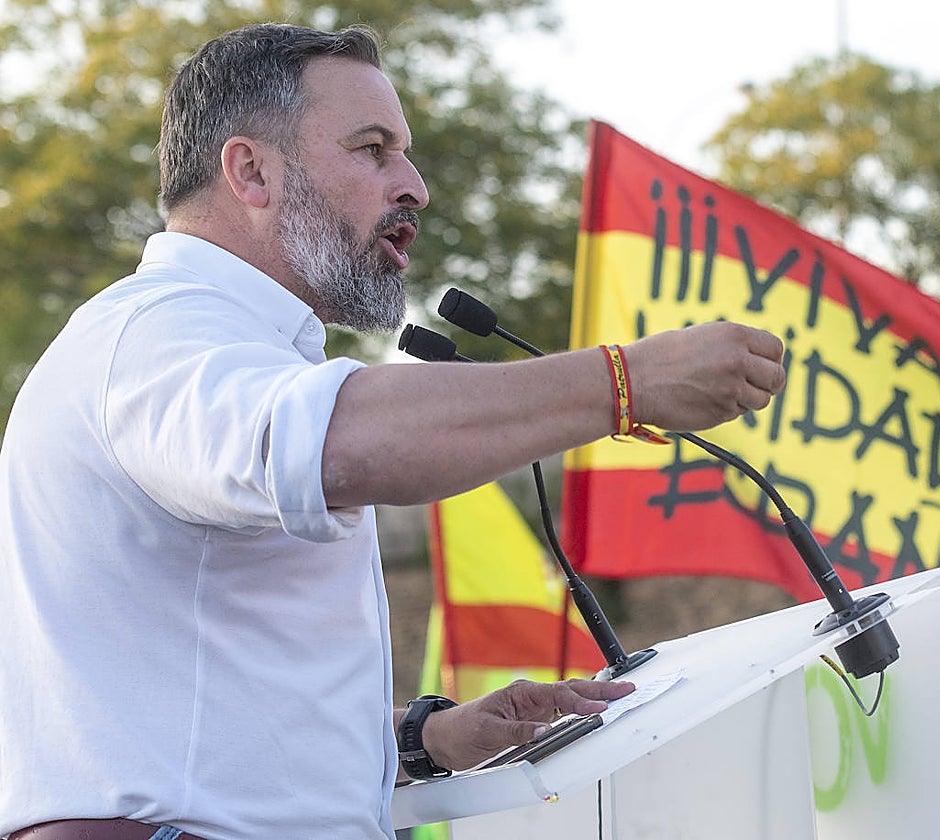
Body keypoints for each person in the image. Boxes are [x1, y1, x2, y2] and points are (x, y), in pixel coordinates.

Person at [0, 23, 787, 840]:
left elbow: (198, 713)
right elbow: (341, 444)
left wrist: (422, 736)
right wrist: (627, 380)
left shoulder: (213, 349)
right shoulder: (156, 336)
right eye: (373, 149)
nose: (413, 185)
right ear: (251, 172)